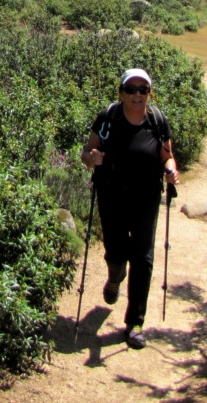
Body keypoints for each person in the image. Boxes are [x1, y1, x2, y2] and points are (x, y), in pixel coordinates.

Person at [81, 68, 178, 349]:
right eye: (131, 89)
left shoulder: (157, 121)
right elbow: (86, 153)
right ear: (121, 92)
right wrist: (92, 158)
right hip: (111, 195)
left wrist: (171, 171)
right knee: (116, 250)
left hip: (147, 197)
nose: (137, 95)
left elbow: (167, 156)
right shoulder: (108, 117)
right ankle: (115, 275)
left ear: (149, 93)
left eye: (143, 90)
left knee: (143, 257)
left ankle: (135, 322)